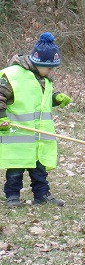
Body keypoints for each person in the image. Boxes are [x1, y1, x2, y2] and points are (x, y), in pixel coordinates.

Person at [0, 32, 70, 208]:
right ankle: (12, 197)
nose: (51, 71)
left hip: (38, 136)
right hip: (18, 135)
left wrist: (55, 98)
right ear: (39, 63)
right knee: (15, 170)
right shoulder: (12, 75)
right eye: (49, 68)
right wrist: (1, 118)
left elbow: (38, 101)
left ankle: (42, 195)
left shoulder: (44, 79)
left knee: (39, 170)